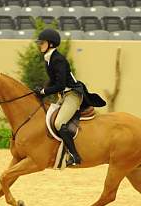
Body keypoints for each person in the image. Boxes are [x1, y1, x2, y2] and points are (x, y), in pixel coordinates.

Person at [33, 28, 106, 166]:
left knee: (59, 123)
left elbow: (60, 85)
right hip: (64, 96)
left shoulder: (58, 60)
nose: (39, 45)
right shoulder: (49, 59)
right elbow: (52, 80)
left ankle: (75, 155)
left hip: (72, 95)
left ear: (51, 44)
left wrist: (44, 92)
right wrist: (39, 91)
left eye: (42, 43)